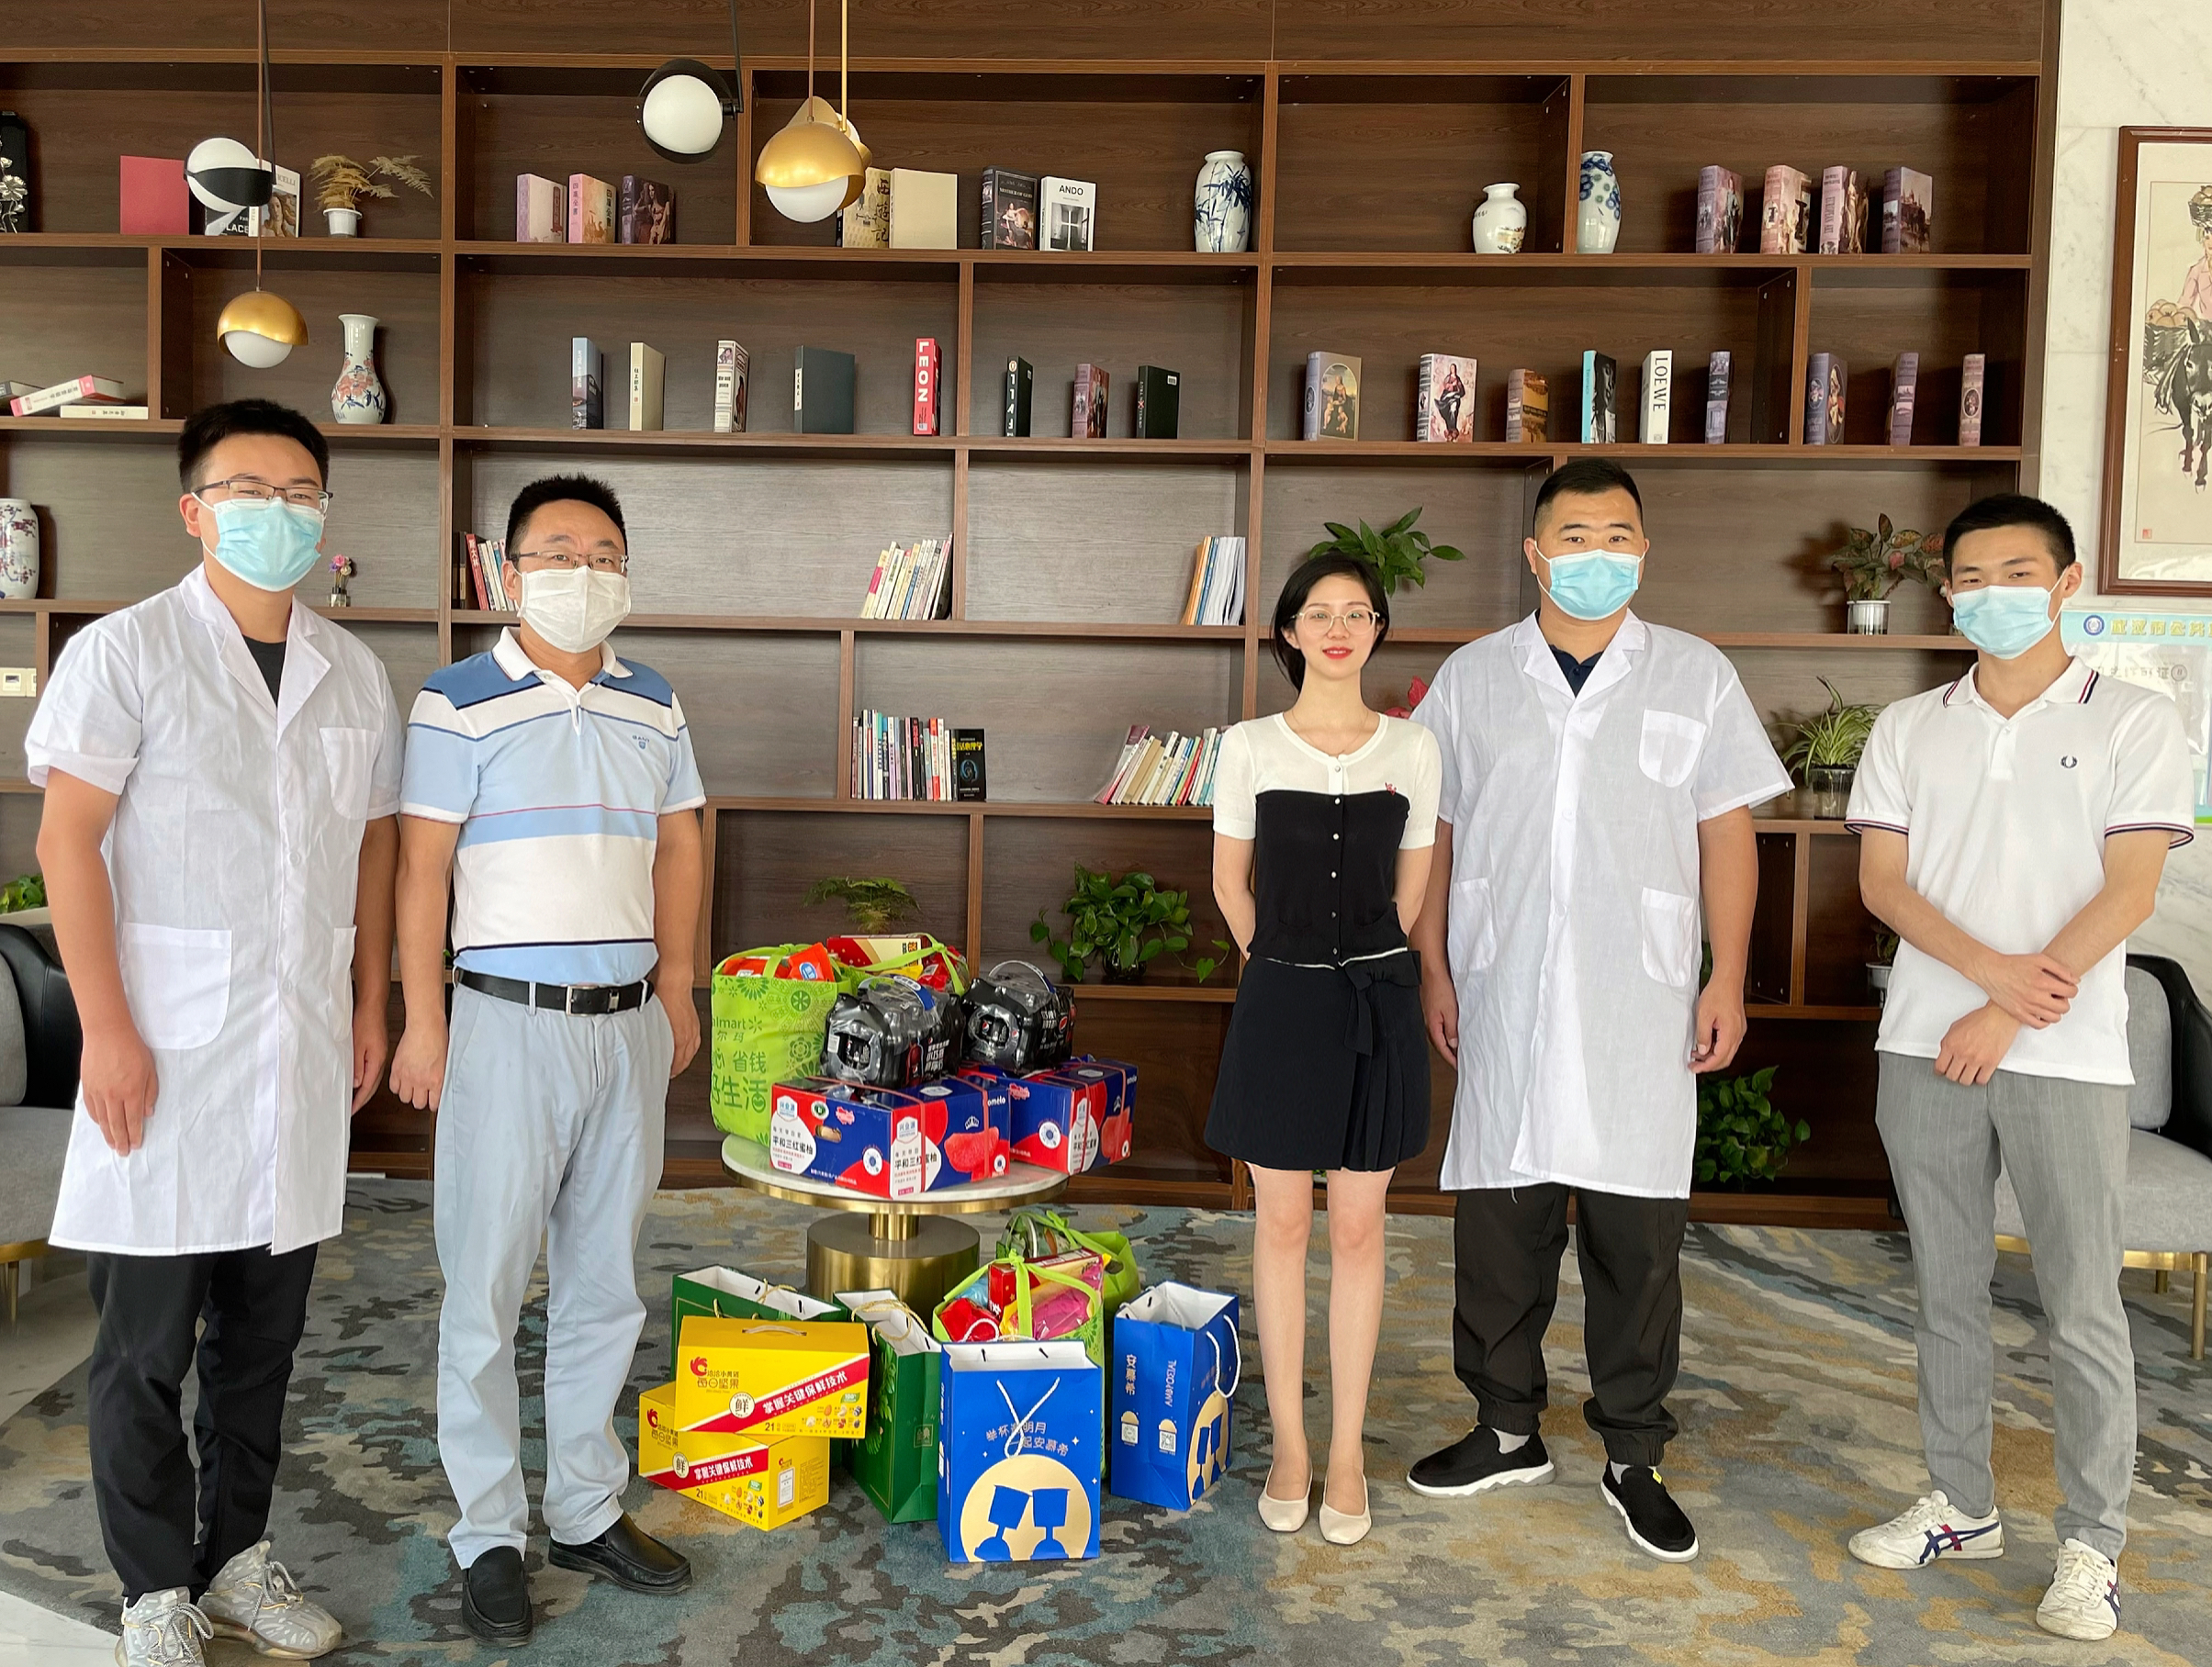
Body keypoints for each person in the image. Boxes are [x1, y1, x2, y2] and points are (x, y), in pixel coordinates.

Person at [28, 398, 401, 1665]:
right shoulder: (124, 652)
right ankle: (152, 1590)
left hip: (298, 1047)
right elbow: (67, 842)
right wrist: (107, 1030)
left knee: (263, 1340)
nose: (276, 512)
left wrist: (369, 1001)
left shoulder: (353, 671)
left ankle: (235, 1557)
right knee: (142, 1349)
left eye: (301, 493)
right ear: (194, 510)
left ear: (325, 517)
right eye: (248, 489)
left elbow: (372, 847)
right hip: (164, 1051)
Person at [1406, 458, 1789, 1561]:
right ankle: (1505, 1427)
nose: (1596, 555)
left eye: (1617, 535)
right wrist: (1434, 965)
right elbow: (1435, 832)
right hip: (1502, 981)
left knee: (1638, 1236)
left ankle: (1634, 1452)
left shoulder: (1696, 674)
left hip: (1642, 994)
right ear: (1534, 554)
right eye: (1574, 537)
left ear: (1643, 550)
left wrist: (1726, 974)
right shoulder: (1474, 677)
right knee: (1501, 1224)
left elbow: (1727, 833)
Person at [1843, 493, 2192, 1643]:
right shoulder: (1909, 727)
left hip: (2068, 1053)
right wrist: (1988, 979)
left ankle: (2092, 1544)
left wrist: (2006, 1007)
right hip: (1923, 1044)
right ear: (1948, 591)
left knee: (2082, 1302)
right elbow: (1883, 885)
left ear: (2067, 581)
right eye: (1972, 575)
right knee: (1944, 1289)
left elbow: (2130, 892)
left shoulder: (2135, 718)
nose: (1993, 592)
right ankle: (1962, 1503)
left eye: (2018, 571)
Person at [390, 474, 704, 1646]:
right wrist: (424, 1019)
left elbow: (681, 845)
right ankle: (488, 1531)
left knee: (603, 1281)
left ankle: (583, 1506)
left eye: (607, 552)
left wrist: (679, 983)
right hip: (505, 1023)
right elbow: (421, 869)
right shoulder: (454, 700)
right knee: (484, 1285)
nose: (586, 570)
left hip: (626, 1022)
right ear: (509, 570)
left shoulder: (654, 700)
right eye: (561, 550)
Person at [1208, 554, 1441, 1548]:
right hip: (1281, 1002)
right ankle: (1291, 1450)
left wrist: (1363, 965)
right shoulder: (1249, 747)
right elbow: (1230, 883)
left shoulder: (1414, 749)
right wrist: (1280, 966)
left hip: (1376, 1005)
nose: (1337, 628)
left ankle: (1346, 1452)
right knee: (1280, 1224)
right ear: (1290, 632)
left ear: (1378, 629)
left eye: (1356, 613)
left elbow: (1411, 893)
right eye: (1318, 613)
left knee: (1356, 1228)